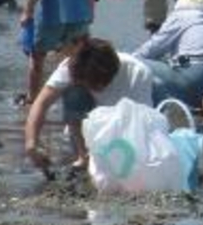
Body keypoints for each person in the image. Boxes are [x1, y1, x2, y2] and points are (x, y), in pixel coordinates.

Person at [23, 37, 154, 175]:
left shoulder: (137, 72)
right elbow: (41, 104)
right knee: (73, 92)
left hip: (128, 116)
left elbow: (141, 124)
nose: (94, 88)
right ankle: (83, 156)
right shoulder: (71, 66)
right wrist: (31, 144)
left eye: (97, 84)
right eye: (88, 83)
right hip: (95, 119)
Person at [133, 0, 203, 109]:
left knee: (139, 63)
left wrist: (130, 59)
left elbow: (153, 48)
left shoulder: (179, 16)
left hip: (195, 70)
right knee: (173, 63)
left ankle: (166, 109)